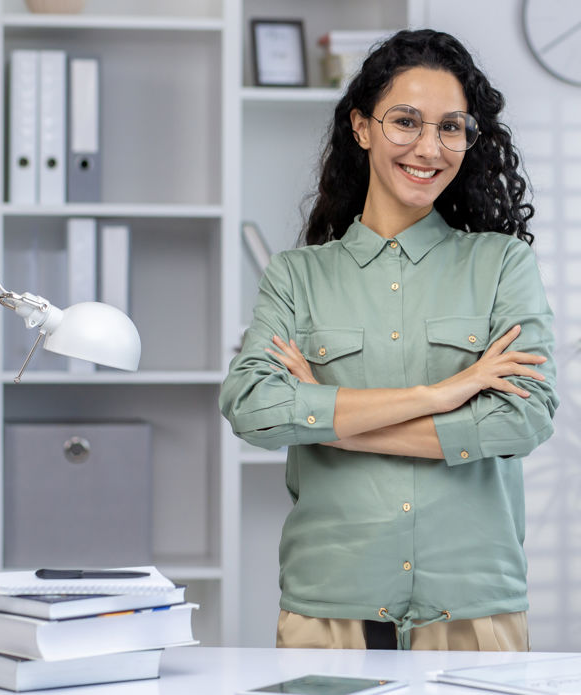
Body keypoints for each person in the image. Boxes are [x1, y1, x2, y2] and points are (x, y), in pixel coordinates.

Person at [220, 29, 558, 651]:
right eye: (406, 121)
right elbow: (254, 410)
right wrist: (443, 394)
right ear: (362, 127)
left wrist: (328, 418)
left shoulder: (503, 266)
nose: (429, 147)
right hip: (329, 603)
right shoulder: (298, 276)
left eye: (451, 127)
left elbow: (524, 417)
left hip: (471, 602)